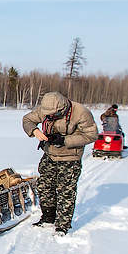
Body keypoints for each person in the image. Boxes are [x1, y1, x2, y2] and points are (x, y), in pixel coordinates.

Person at [22, 92, 98, 235]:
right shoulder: (45, 109)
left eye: (52, 114)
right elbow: (27, 119)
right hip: (50, 155)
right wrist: (34, 130)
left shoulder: (81, 112)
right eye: (47, 114)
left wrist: (65, 140)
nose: (49, 116)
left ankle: (63, 225)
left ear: (61, 109)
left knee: (66, 191)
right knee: (44, 186)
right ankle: (48, 218)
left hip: (70, 158)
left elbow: (92, 135)